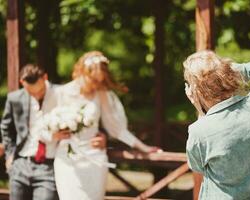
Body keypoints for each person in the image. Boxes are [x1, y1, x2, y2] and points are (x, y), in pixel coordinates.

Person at [51, 51, 159, 200]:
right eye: (93, 80)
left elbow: (117, 129)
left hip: (94, 157)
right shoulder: (60, 93)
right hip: (67, 160)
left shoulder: (101, 94)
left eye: (99, 81)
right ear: (82, 71)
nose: (96, 85)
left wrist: (143, 147)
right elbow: (44, 124)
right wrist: (54, 135)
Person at [183, 50, 250, 200]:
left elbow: (197, 166)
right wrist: (224, 72)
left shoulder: (199, 131)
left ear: (195, 91)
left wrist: (201, 112)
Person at [0, 64, 106, 200]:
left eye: (40, 91)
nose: (37, 96)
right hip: (21, 163)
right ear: (22, 83)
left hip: (49, 165)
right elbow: (6, 128)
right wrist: (10, 155)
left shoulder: (63, 93)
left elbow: (87, 115)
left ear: (45, 78)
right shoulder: (15, 98)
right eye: (32, 93)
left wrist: (103, 135)